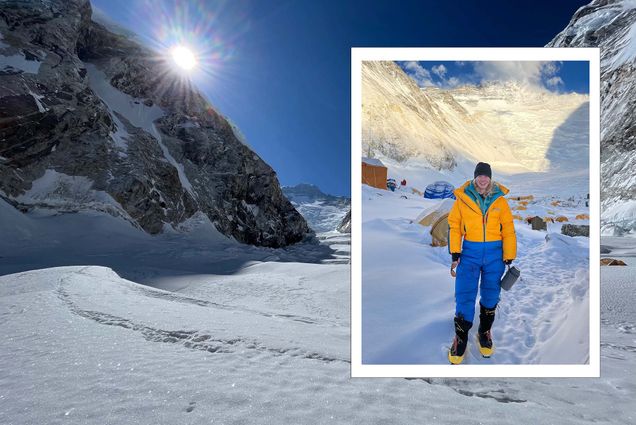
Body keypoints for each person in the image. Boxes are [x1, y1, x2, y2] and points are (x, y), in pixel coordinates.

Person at [446, 162, 516, 364]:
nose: (483, 179)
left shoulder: (500, 201)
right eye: (480, 176)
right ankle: (460, 338)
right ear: (475, 177)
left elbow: (508, 229)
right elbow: (454, 226)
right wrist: (455, 252)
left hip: (495, 254)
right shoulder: (462, 199)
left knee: (491, 294)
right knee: (465, 293)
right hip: (470, 252)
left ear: (490, 178)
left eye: (486, 176)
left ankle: (484, 332)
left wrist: (509, 254)